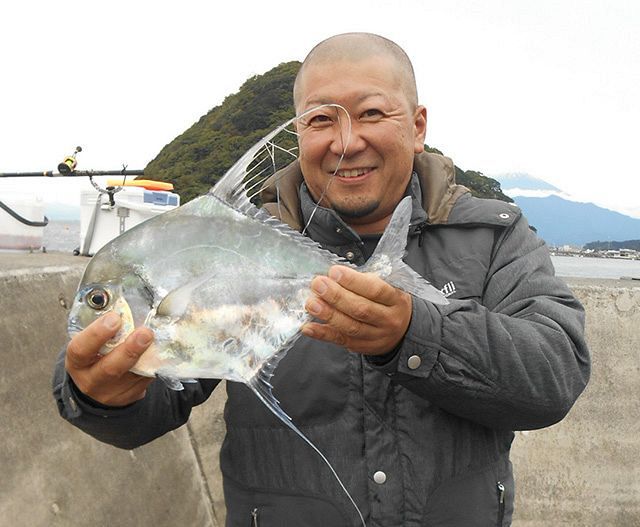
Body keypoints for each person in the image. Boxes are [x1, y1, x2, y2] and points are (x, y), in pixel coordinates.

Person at [53, 33, 590, 526]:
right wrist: (99, 397)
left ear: (418, 126)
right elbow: (158, 402)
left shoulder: (493, 236)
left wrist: (414, 334)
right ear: (300, 131)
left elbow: (555, 375)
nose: (346, 142)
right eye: (320, 120)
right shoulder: (237, 245)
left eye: (373, 113)